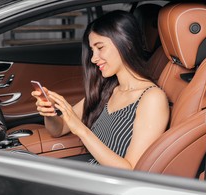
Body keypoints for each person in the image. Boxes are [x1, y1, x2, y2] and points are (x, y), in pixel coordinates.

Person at [31, 10, 169, 169]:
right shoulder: (107, 89)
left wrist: (81, 130)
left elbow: (132, 171)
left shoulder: (152, 98)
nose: (93, 58)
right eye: (92, 50)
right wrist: (50, 113)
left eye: (100, 47)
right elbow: (59, 128)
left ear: (127, 43)